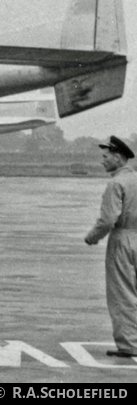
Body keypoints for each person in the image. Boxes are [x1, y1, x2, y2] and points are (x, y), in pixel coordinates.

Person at [84, 135, 137, 357]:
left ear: (118, 157)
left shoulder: (116, 183)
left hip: (123, 239)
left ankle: (129, 344)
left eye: (106, 157)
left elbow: (108, 219)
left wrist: (93, 236)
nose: (102, 161)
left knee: (122, 293)